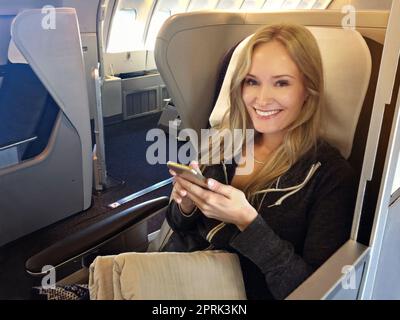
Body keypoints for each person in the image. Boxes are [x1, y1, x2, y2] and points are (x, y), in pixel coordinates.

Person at [164, 23, 357, 300]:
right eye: (252, 81)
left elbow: (310, 291)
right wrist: (185, 206)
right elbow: (178, 225)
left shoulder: (330, 177)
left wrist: (248, 222)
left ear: (308, 89)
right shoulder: (224, 142)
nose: (262, 99)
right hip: (171, 273)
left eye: (281, 83)